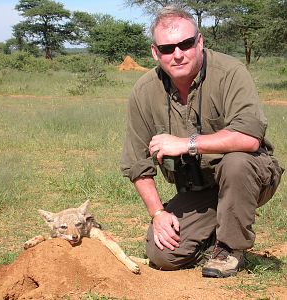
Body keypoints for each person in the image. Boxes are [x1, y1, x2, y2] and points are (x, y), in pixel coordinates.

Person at [120, 5, 284, 278]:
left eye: (186, 44)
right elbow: (136, 164)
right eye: (168, 48)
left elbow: (250, 138)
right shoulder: (144, 91)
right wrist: (158, 214)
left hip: (250, 177)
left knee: (236, 162)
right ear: (154, 52)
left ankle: (231, 248)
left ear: (200, 42)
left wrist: (187, 143)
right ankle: (212, 234)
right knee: (163, 255)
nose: (178, 54)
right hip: (199, 189)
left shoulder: (230, 72)